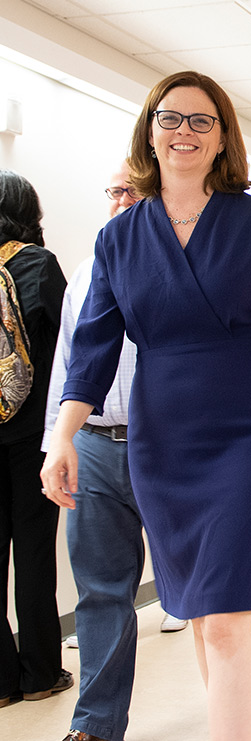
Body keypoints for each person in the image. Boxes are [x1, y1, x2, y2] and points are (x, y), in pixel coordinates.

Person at [40, 72, 251, 741]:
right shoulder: (119, 238)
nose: (185, 133)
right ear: (150, 130)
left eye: (202, 122)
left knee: (227, 622)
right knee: (202, 617)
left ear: (222, 138)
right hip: (163, 444)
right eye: (172, 119)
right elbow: (92, 353)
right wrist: (61, 439)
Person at [34, 164, 208, 741]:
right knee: (102, 591)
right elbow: (67, 363)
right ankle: (98, 725)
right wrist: (60, 442)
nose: (120, 202)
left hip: (171, 448)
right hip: (99, 449)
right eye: (114, 191)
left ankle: (244, 671)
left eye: (132, 191)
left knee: (202, 584)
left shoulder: (185, 268)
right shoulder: (86, 272)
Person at [0, 171, 71, 708]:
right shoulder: (35, 264)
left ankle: (1, 682)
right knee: (33, 554)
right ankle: (42, 672)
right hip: (29, 436)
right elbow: (73, 348)